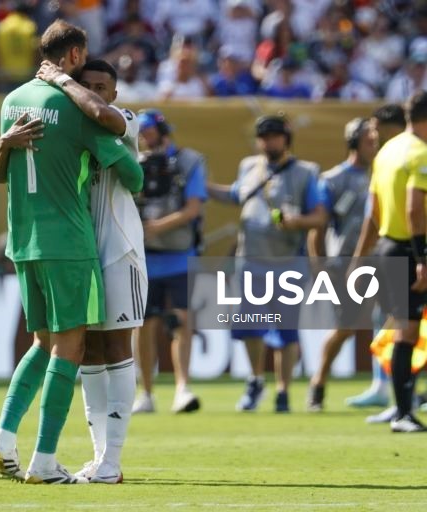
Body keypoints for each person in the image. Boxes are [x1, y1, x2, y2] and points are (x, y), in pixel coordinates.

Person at [0, 19, 142, 485]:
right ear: (73, 56)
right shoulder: (76, 110)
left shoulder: (12, 101)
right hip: (70, 242)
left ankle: (4, 438)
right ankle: (45, 461)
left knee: (42, 343)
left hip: (22, 240)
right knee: (72, 347)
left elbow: (1, 172)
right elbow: (134, 177)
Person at [33, 58, 147, 483]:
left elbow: (100, 115)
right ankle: (100, 458)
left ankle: (113, 460)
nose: (97, 92)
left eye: (104, 86)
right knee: (89, 354)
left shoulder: (125, 120)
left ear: (115, 93)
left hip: (121, 250)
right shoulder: (72, 131)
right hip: (81, 252)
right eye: (90, 85)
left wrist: (62, 80)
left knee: (118, 349)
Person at [208, 114, 326, 413]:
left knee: (287, 330)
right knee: (249, 327)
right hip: (250, 261)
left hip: (288, 262)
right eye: (264, 136)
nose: (268, 141)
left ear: (286, 139)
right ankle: (256, 379)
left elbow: (320, 216)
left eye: (274, 135)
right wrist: (202, 187)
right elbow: (237, 195)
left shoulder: (305, 172)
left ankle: (283, 390)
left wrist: (296, 221)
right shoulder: (249, 166)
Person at [131, 109, 206, 415]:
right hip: (143, 258)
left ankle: (182, 388)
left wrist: (154, 228)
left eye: (148, 130)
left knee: (181, 322)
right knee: (143, 326)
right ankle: (145, 392)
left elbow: (193, 208)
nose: (144, 136)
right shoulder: (133, 161)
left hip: (179, 255)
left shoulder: (189, 161)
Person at [361, 91, 427, 432]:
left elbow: (373, 210)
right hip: (411, 250)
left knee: (404, 330)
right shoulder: (420, 154)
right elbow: (416, 211)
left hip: (388, 246)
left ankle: (401, 407)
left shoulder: (387, 152)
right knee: (406, 333)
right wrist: (422, 258)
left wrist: (362, 255)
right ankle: (403, 411)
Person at [305, 117, 378, 411]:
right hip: (345, 262)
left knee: (396, 324)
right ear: (354, 142)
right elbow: (318, 227)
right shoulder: (333, 179)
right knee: (346, 327)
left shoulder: (381, 173)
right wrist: (318, 265)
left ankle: (393, 387)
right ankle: (318, 382)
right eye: (368, 140)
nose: (374, 144)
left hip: (382, 258)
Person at [346, 104, 407, 413]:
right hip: (395, 250)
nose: (371, 135)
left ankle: (397, 396)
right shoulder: (388, 158)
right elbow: (374, 215)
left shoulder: (401, 156)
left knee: (402, 324)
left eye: (374, 128)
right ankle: (391, 392)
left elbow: (376, 214)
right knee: (393, 322)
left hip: (406, 249)